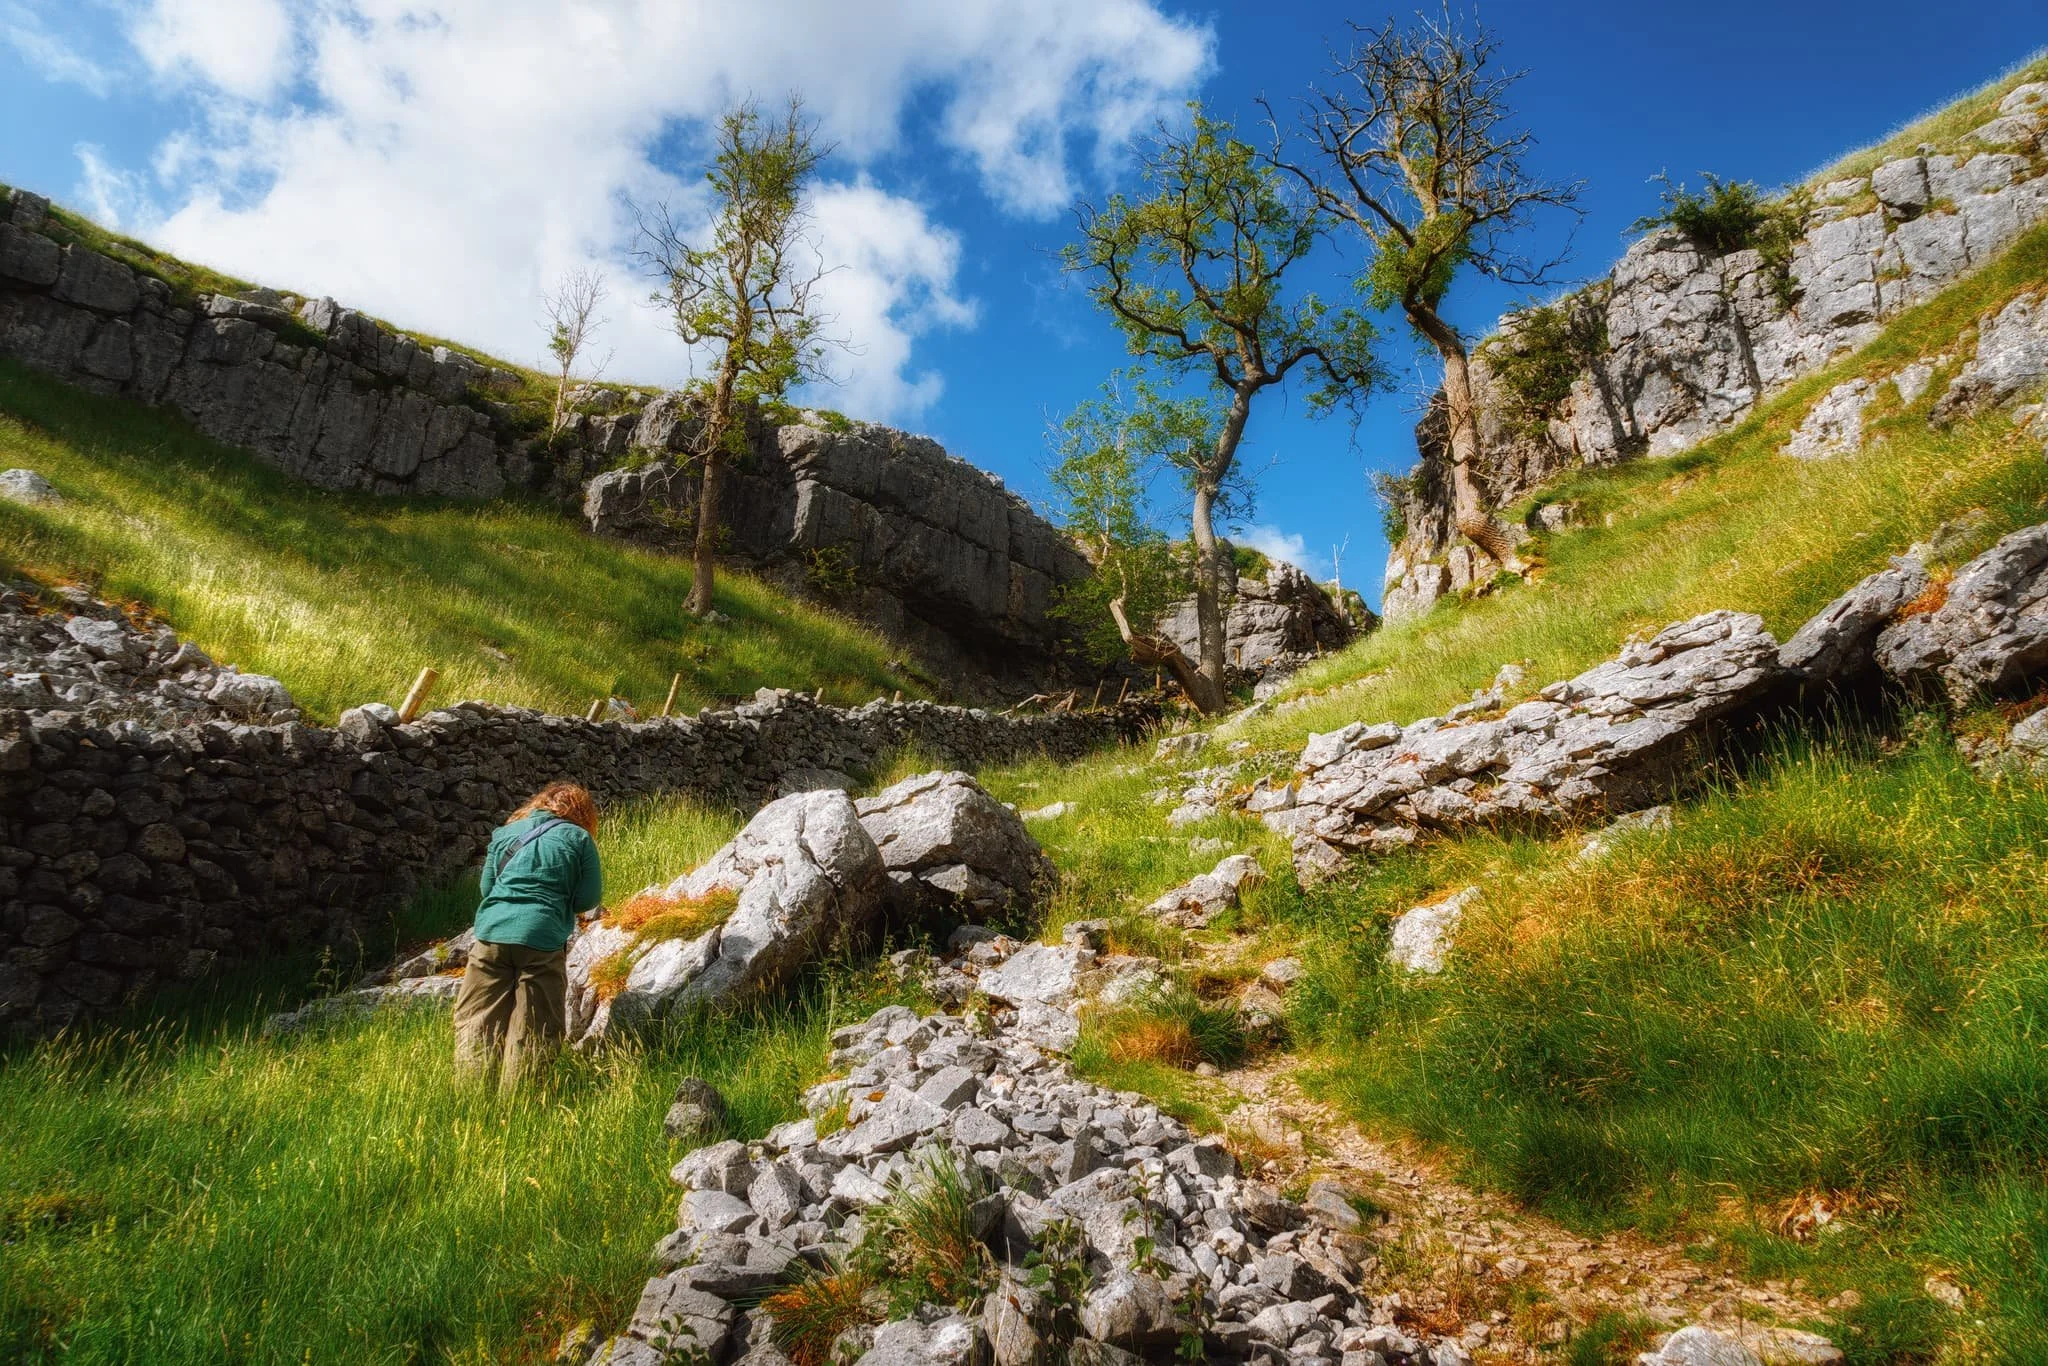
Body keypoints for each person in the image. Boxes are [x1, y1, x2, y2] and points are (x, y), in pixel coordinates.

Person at [452, 781, 603, 1088]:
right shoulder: (579, 838)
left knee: (477, 1021)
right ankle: (519, 1107)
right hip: (542, 939)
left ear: (539, 804)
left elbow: (486, 889)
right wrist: (556, 903)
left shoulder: (505, 834)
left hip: (491, 936)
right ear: (581, 812)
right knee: (536, 1026)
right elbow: (588, 898)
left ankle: (471, 1102)